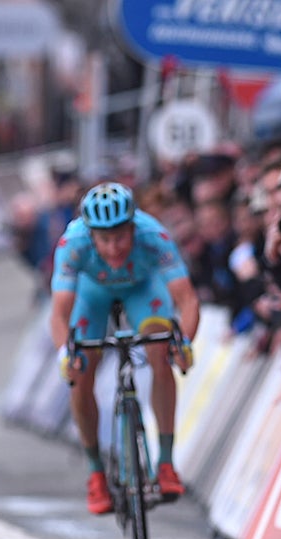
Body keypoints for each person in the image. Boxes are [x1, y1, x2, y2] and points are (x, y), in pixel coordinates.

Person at [48, 182, 199, 515]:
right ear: (91, 236)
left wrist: (184, 343)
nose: (114, 248)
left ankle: (166, 463)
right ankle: (96, 472)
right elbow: (59, 314)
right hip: (92, 293)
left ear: (134, 227)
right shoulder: (73, 243)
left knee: (162, 351)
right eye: (105, 239)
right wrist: (65, 355)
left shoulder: (152, 235)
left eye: (120, 237)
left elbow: (187, 299)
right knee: (81, 369)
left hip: (142, 288)